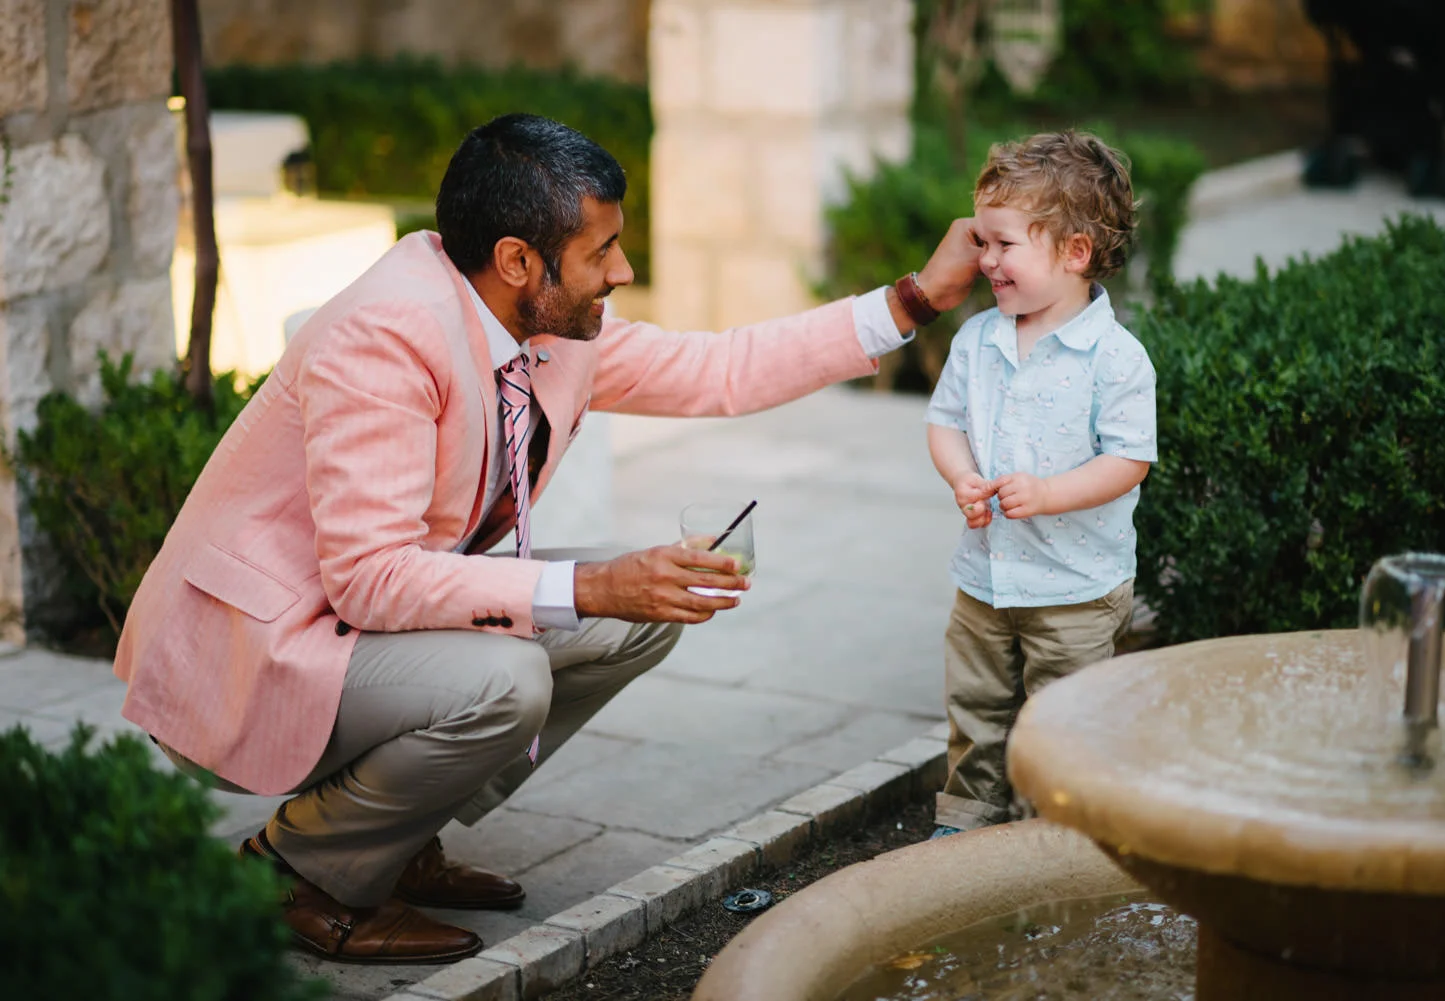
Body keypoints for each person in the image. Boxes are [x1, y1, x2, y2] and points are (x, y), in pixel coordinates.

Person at [114, 113, 980, 964]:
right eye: (601, 251)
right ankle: (297, 874)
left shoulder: (541, 327)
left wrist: (914, 300)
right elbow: (370, 579)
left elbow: (721, 369)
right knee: (512, 671)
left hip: (352, 624)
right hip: (257, 650)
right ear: (517, 260)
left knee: (641, 615)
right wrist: (593, 584)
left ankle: (390, 834)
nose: (624, 270)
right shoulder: (385, 336)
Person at [923, 131, 1157, 840]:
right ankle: (967, 817)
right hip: (985, 580)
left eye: (1001, 244)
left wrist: (1050, 494)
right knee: (976, 705)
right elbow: (943, 422)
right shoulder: (978, 340)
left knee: (1060, 716)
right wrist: (961, 473)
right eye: (980, 241)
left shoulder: (1113, 359)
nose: (983, 260)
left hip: (1074, 587)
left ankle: (1048, 834)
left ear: (1074, 252)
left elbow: (1129, 460)